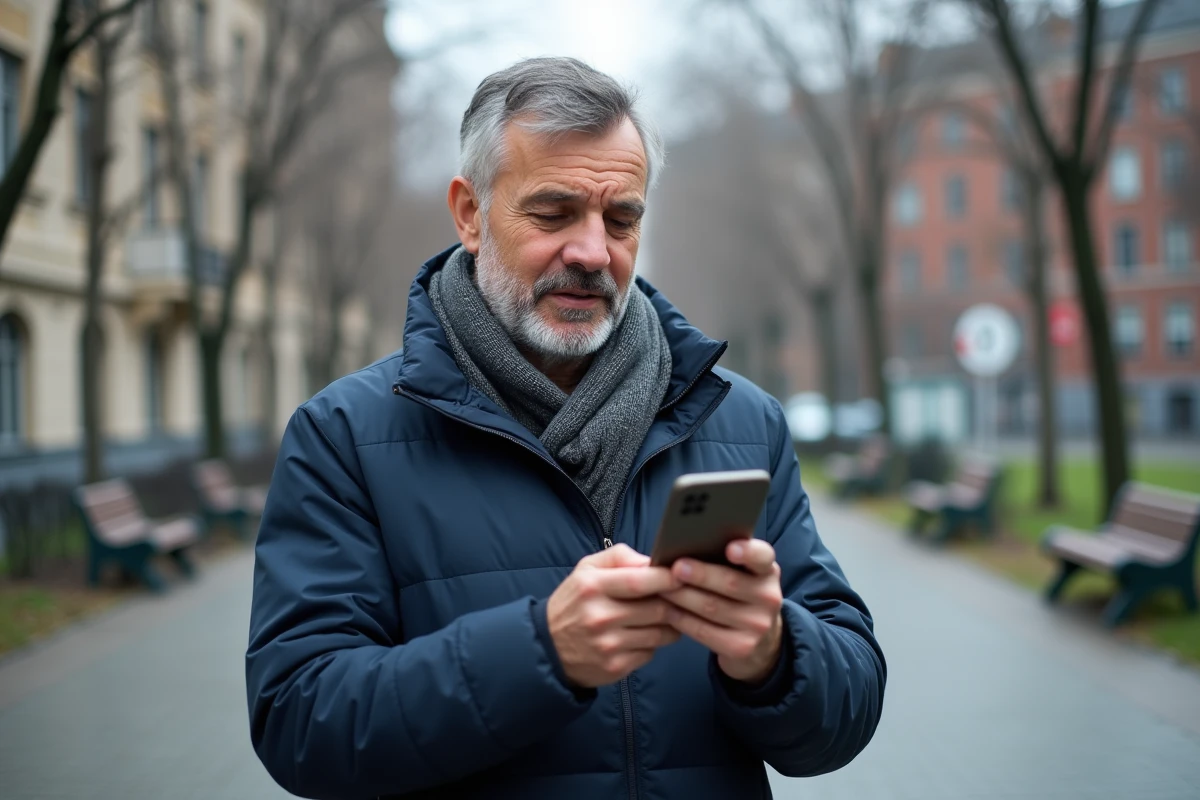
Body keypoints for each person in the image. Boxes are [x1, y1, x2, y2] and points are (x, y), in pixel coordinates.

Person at [246, 56, 885, 800]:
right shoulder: (344, 436)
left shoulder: (742, 420)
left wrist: (776, 653)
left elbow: (849, 711)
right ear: (469, 214)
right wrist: (541, 653)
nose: (591, 252)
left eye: (621, 220)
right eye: (553, 213)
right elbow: (301, 724)